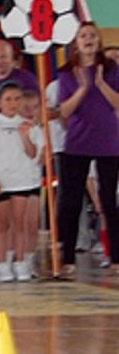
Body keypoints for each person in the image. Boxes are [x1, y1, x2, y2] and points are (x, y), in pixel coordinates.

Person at [56, 22, 119, 276]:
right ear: (76, 43)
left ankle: (115, 256)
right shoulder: (67, 72)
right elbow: (64, 113)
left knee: (109, 200)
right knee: (70, 201)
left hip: (108, 141)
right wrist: (83, 88)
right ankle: (67, 255)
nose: (89, 39)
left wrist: (101, 83)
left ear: (99, 41)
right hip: (78, 142)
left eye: (93, 35)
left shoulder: (112, 68)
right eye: (83, 36)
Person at [0, 81, 42, 282]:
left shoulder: (28, 125)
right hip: (2, 181)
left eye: (17, 99)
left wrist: (25, 136)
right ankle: (2, 262)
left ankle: (21, 261)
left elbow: (33, 154)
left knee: (20, 223)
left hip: (22, 180)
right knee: (2, 224)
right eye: (8, 99)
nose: (13, 103)